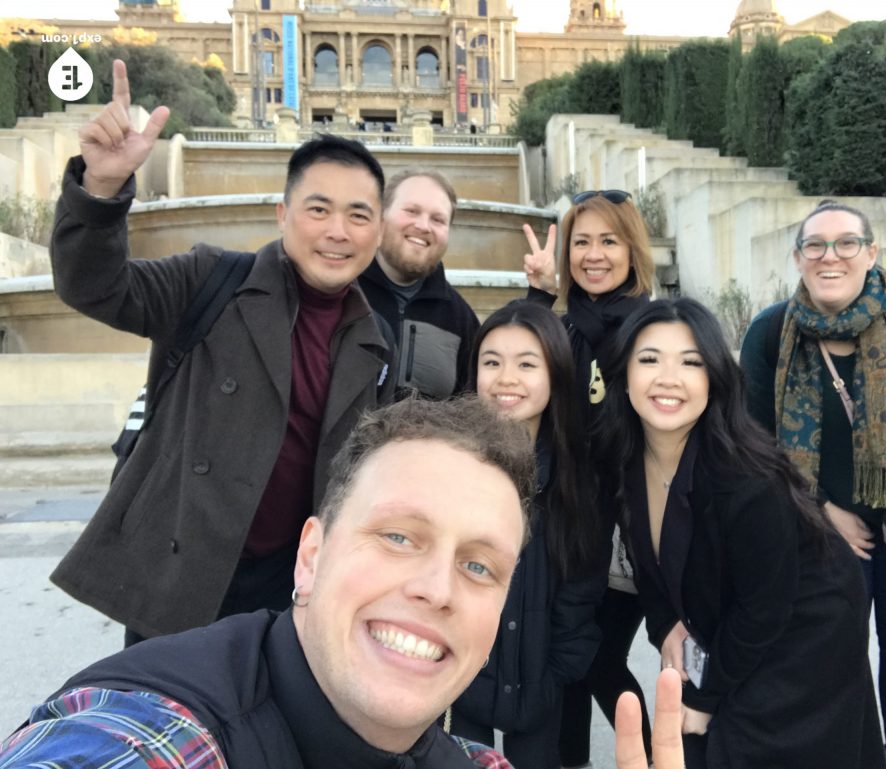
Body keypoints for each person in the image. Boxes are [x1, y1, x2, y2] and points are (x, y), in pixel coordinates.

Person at [48, 60, 393, 645]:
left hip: (291, 589)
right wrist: (101, 190)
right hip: (184, 572)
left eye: (358, 215)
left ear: (378, 232)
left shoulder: (373, 337)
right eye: (318, 209)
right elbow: (95, 287)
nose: (338, 230)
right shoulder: (213, 280)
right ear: (283, 216)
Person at [0, 398, 536, 769]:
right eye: (398, 536)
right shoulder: (167, 736)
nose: (437, 589)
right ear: (310, 557)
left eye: (479, 566)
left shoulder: (476, 760)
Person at [739, 200, 886, 769]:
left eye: (846, 242)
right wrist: (821, 508)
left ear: (871, 253)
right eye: (816, 245)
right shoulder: (771, 332)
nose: (831, 256)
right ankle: (838, 753)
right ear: (798, 257)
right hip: (822, 523)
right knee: (831, 643)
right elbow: (751, 436)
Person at [600, 297, 885, 769]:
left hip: (806, 624)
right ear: (623, 374)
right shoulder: (625, 456)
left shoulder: (746, 478)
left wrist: (706, 698)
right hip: (736, 616)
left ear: (713, 379)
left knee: (752, 740)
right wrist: (663, 619)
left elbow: (763, 609)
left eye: (690, 363)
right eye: (649, 359)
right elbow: (646, 557)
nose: (668, 378)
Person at [522, 189, 656, 766]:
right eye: (581, 242)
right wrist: (536, 295)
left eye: (609, 240)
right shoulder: (562, 328)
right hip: (568, 527)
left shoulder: (655, 327)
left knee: (595, 658)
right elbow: (515, 371)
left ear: (632, 249)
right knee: (567, 661)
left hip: (631, 534)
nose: (593, 255)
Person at [451, 300, 605, 768]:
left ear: (555, 373)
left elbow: (583, 587)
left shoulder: (579, 475)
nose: (506, 379)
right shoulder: (448, 463)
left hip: (542, 682)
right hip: (457, 678)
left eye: (526, 364)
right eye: (492, 362)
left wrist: (558, 672)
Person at [358, 169, 480, 398]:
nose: (423, 226)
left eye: (438, 219)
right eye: (411, 211)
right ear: (381, 218)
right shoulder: (342, 293)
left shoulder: (460, 319)